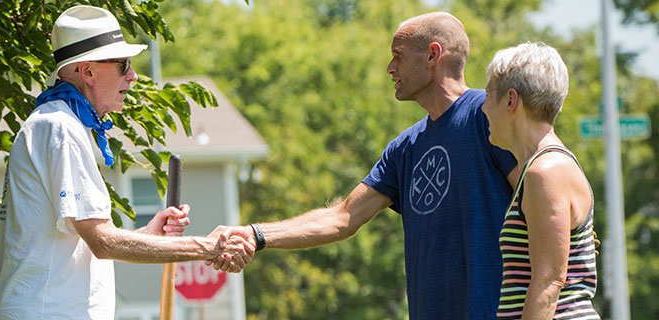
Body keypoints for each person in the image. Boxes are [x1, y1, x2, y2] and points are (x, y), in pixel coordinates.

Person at [208, 12, 519, 319]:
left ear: (432, 55)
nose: (389, 68)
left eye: (398, 56)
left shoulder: (489, 118)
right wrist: (256, 234)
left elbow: (540, 203)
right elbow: (343, 217)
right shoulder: (406, 148)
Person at [0, 6, 253, 320]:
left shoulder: (62, 125)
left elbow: (83, 246)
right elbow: (103, 242)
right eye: (123, 65)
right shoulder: (60, 127)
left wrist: (148, 234)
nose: (133, 76)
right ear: (87, 71)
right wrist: (208, 247)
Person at [481, 42, 599, 319]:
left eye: (487, 95)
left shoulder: (546, 171)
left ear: (511, 100)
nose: (483, 108)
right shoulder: (538, 168)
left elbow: (549, 283)